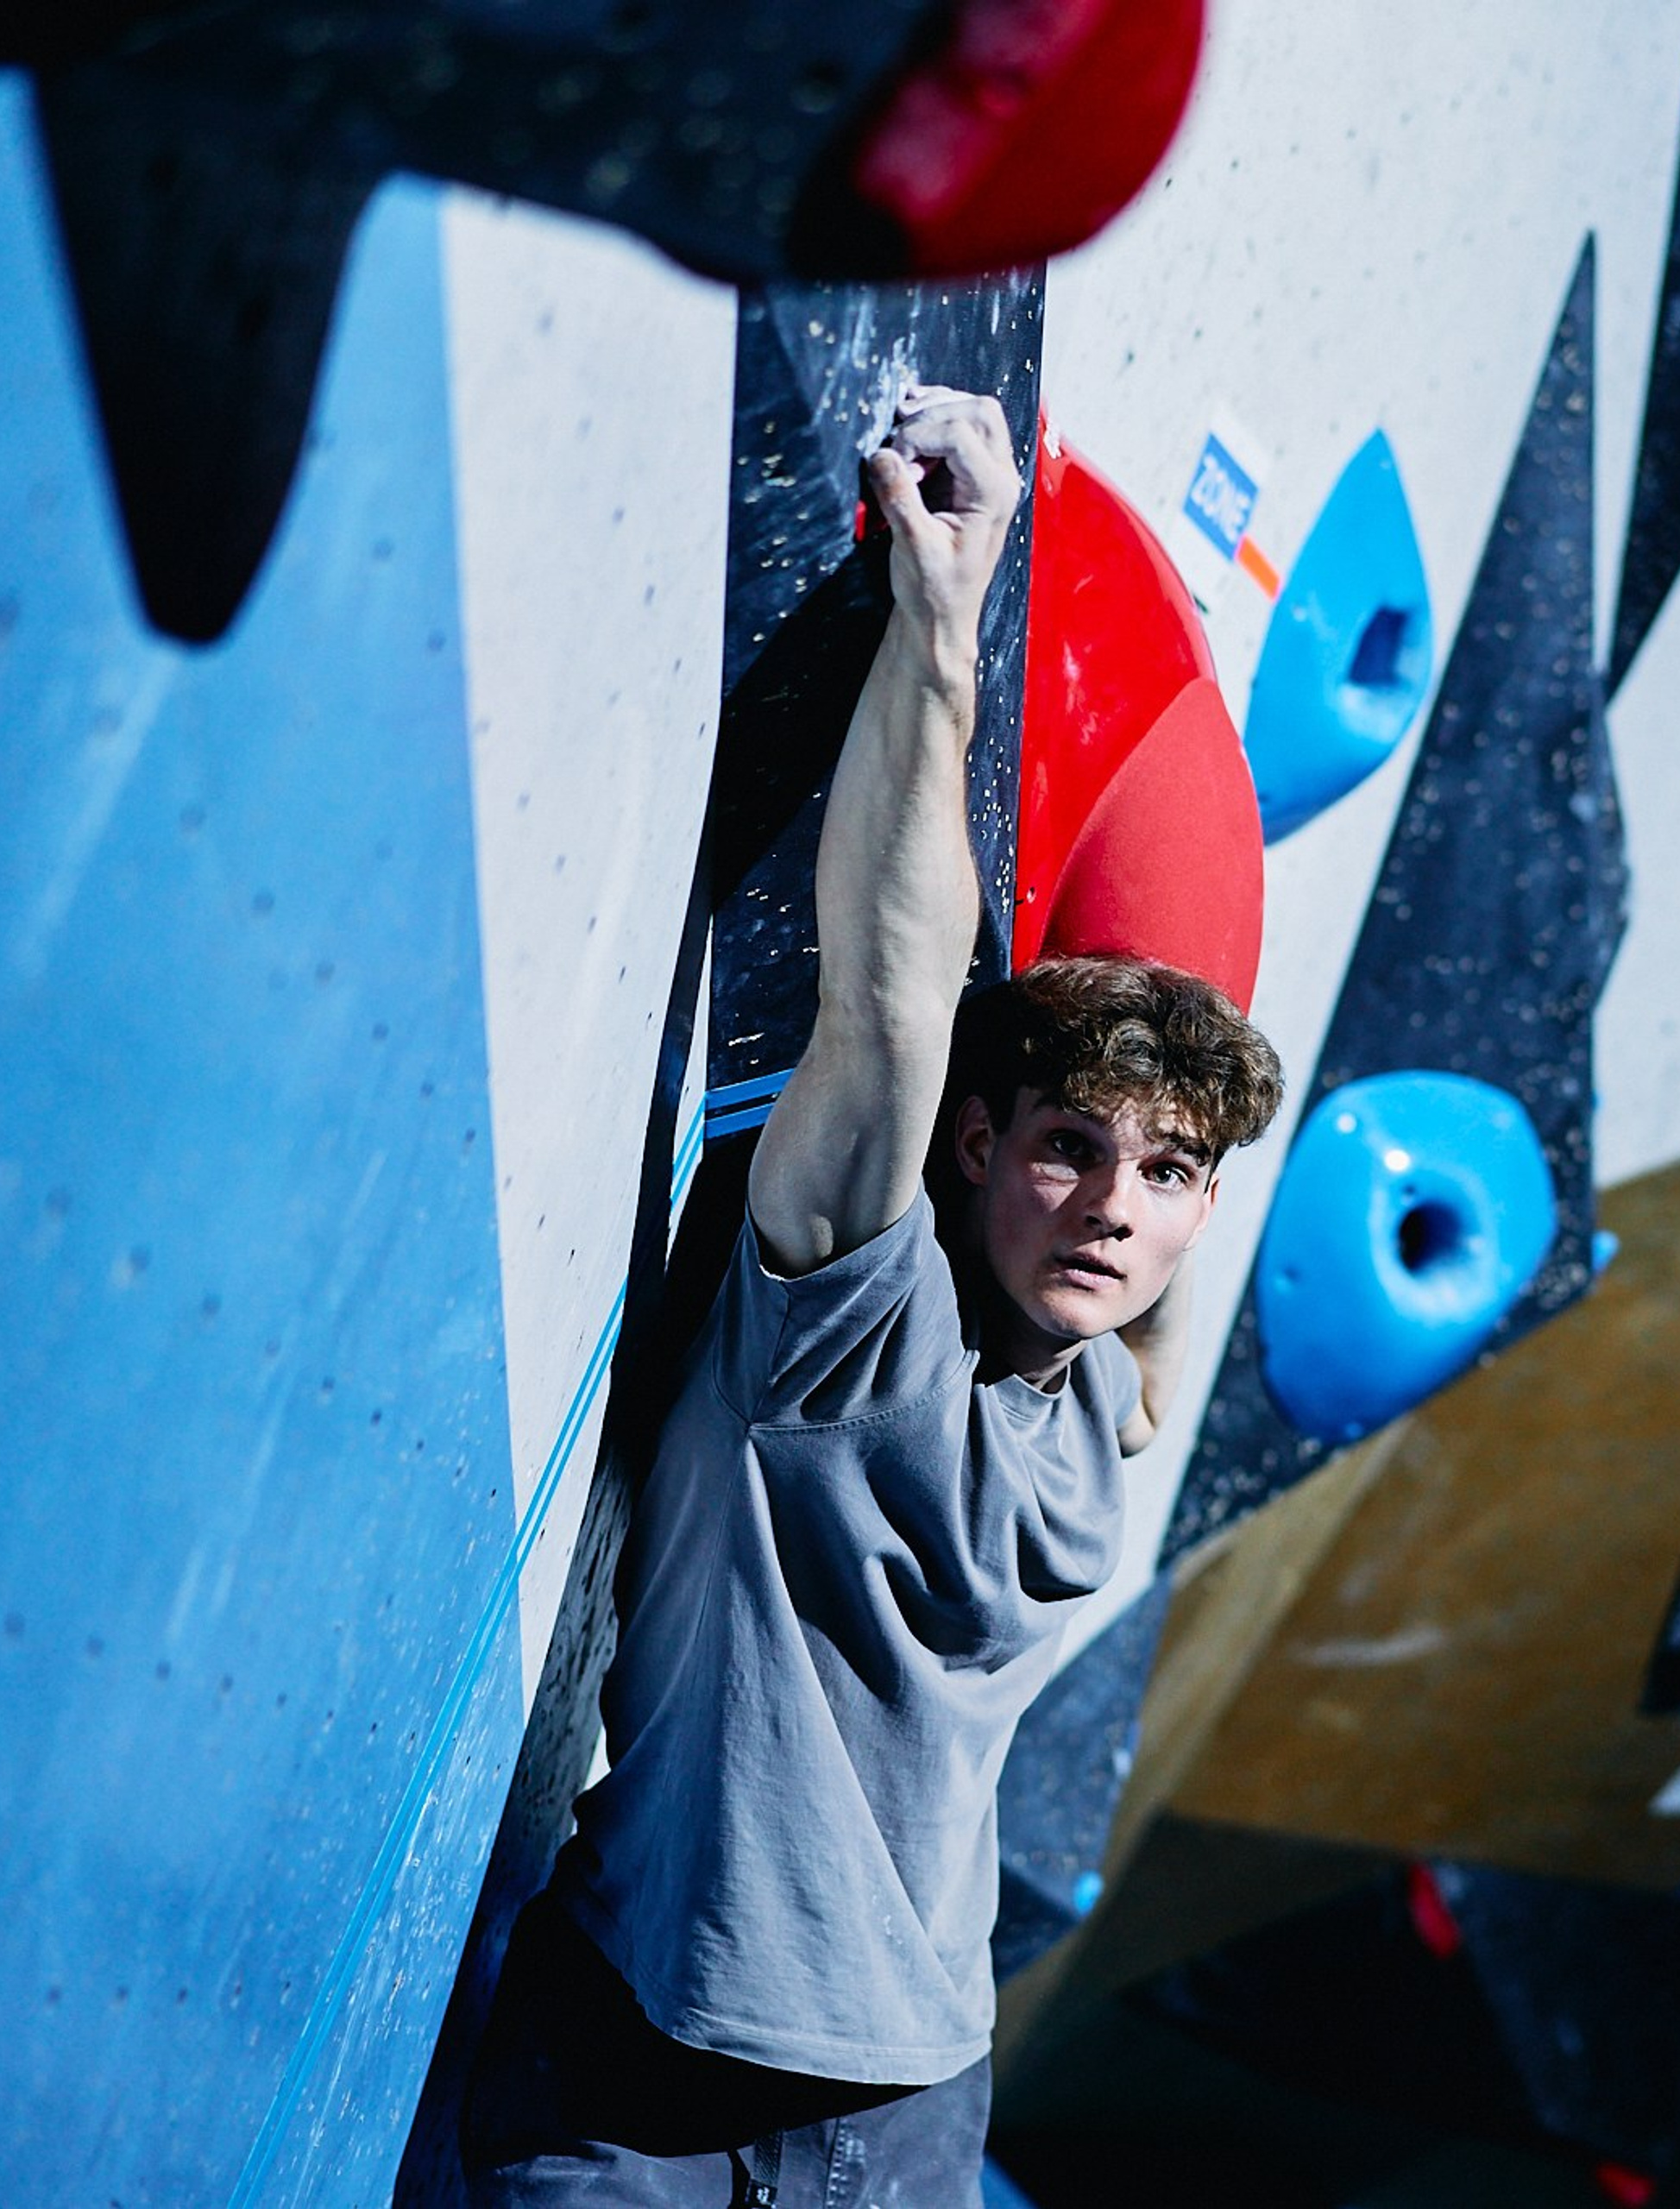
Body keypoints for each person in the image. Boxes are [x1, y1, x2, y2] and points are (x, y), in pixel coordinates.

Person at [462, 385, 1282, 2206]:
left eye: (1161, 1177)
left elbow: (1133, 1175)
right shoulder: (846, 1318)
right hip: (647, 2063)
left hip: (911, 2101)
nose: (1108, 1207)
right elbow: (895, 992)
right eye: (1066, 1147)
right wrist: (941, 610)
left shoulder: (1091, 1398)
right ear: (971, 1146)